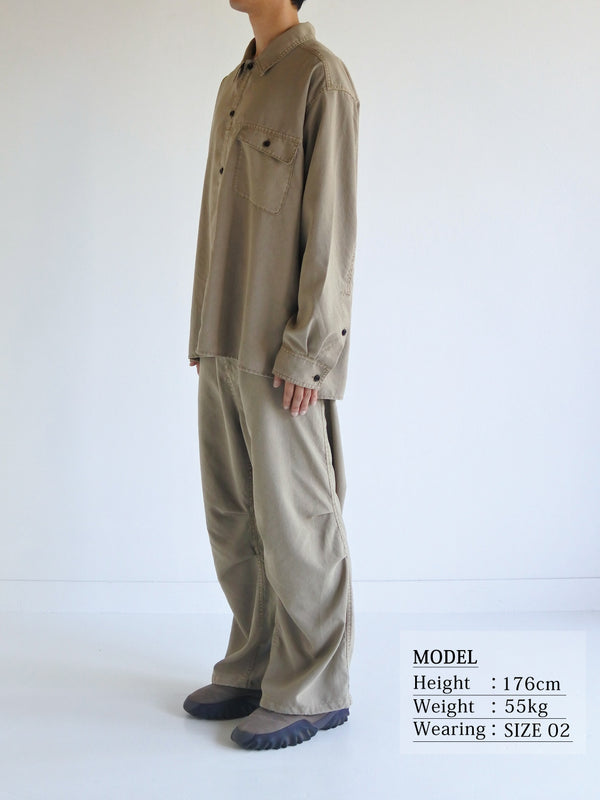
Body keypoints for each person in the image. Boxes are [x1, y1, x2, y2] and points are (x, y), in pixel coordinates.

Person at [184, 0, 359, 750]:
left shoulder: (321, 79)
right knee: (234, 517)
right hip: (222, 337)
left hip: (280, 349)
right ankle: (256, 665)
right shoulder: (235, 84)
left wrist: (310, 352)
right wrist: (201, 325)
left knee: (297, 522)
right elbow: (214, 216)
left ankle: (314, 690)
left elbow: (333, 229)